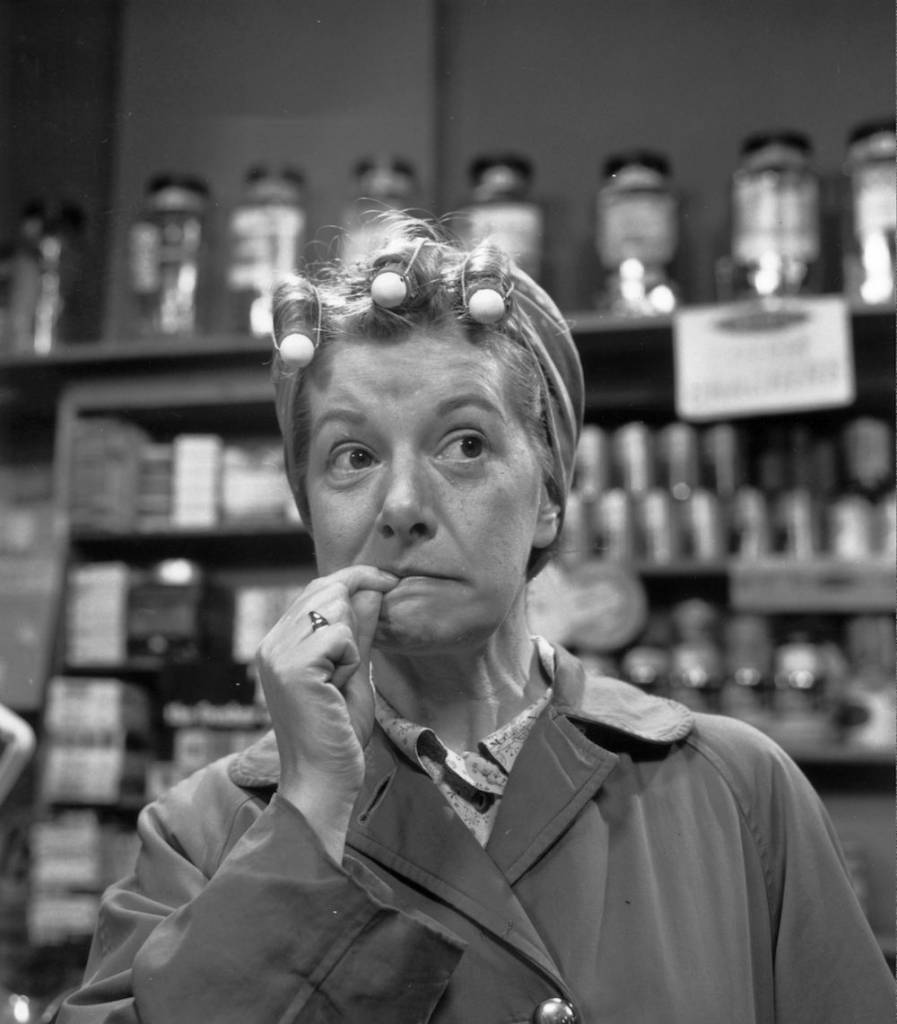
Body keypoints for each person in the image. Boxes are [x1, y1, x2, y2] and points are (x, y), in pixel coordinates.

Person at [59, 215, 892, 1023]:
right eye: (352, 456)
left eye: (463, 444)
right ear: (310, 512)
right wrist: (308, 811)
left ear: (550, 498)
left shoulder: (737, 790)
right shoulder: (199, 835)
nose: (404, 506)